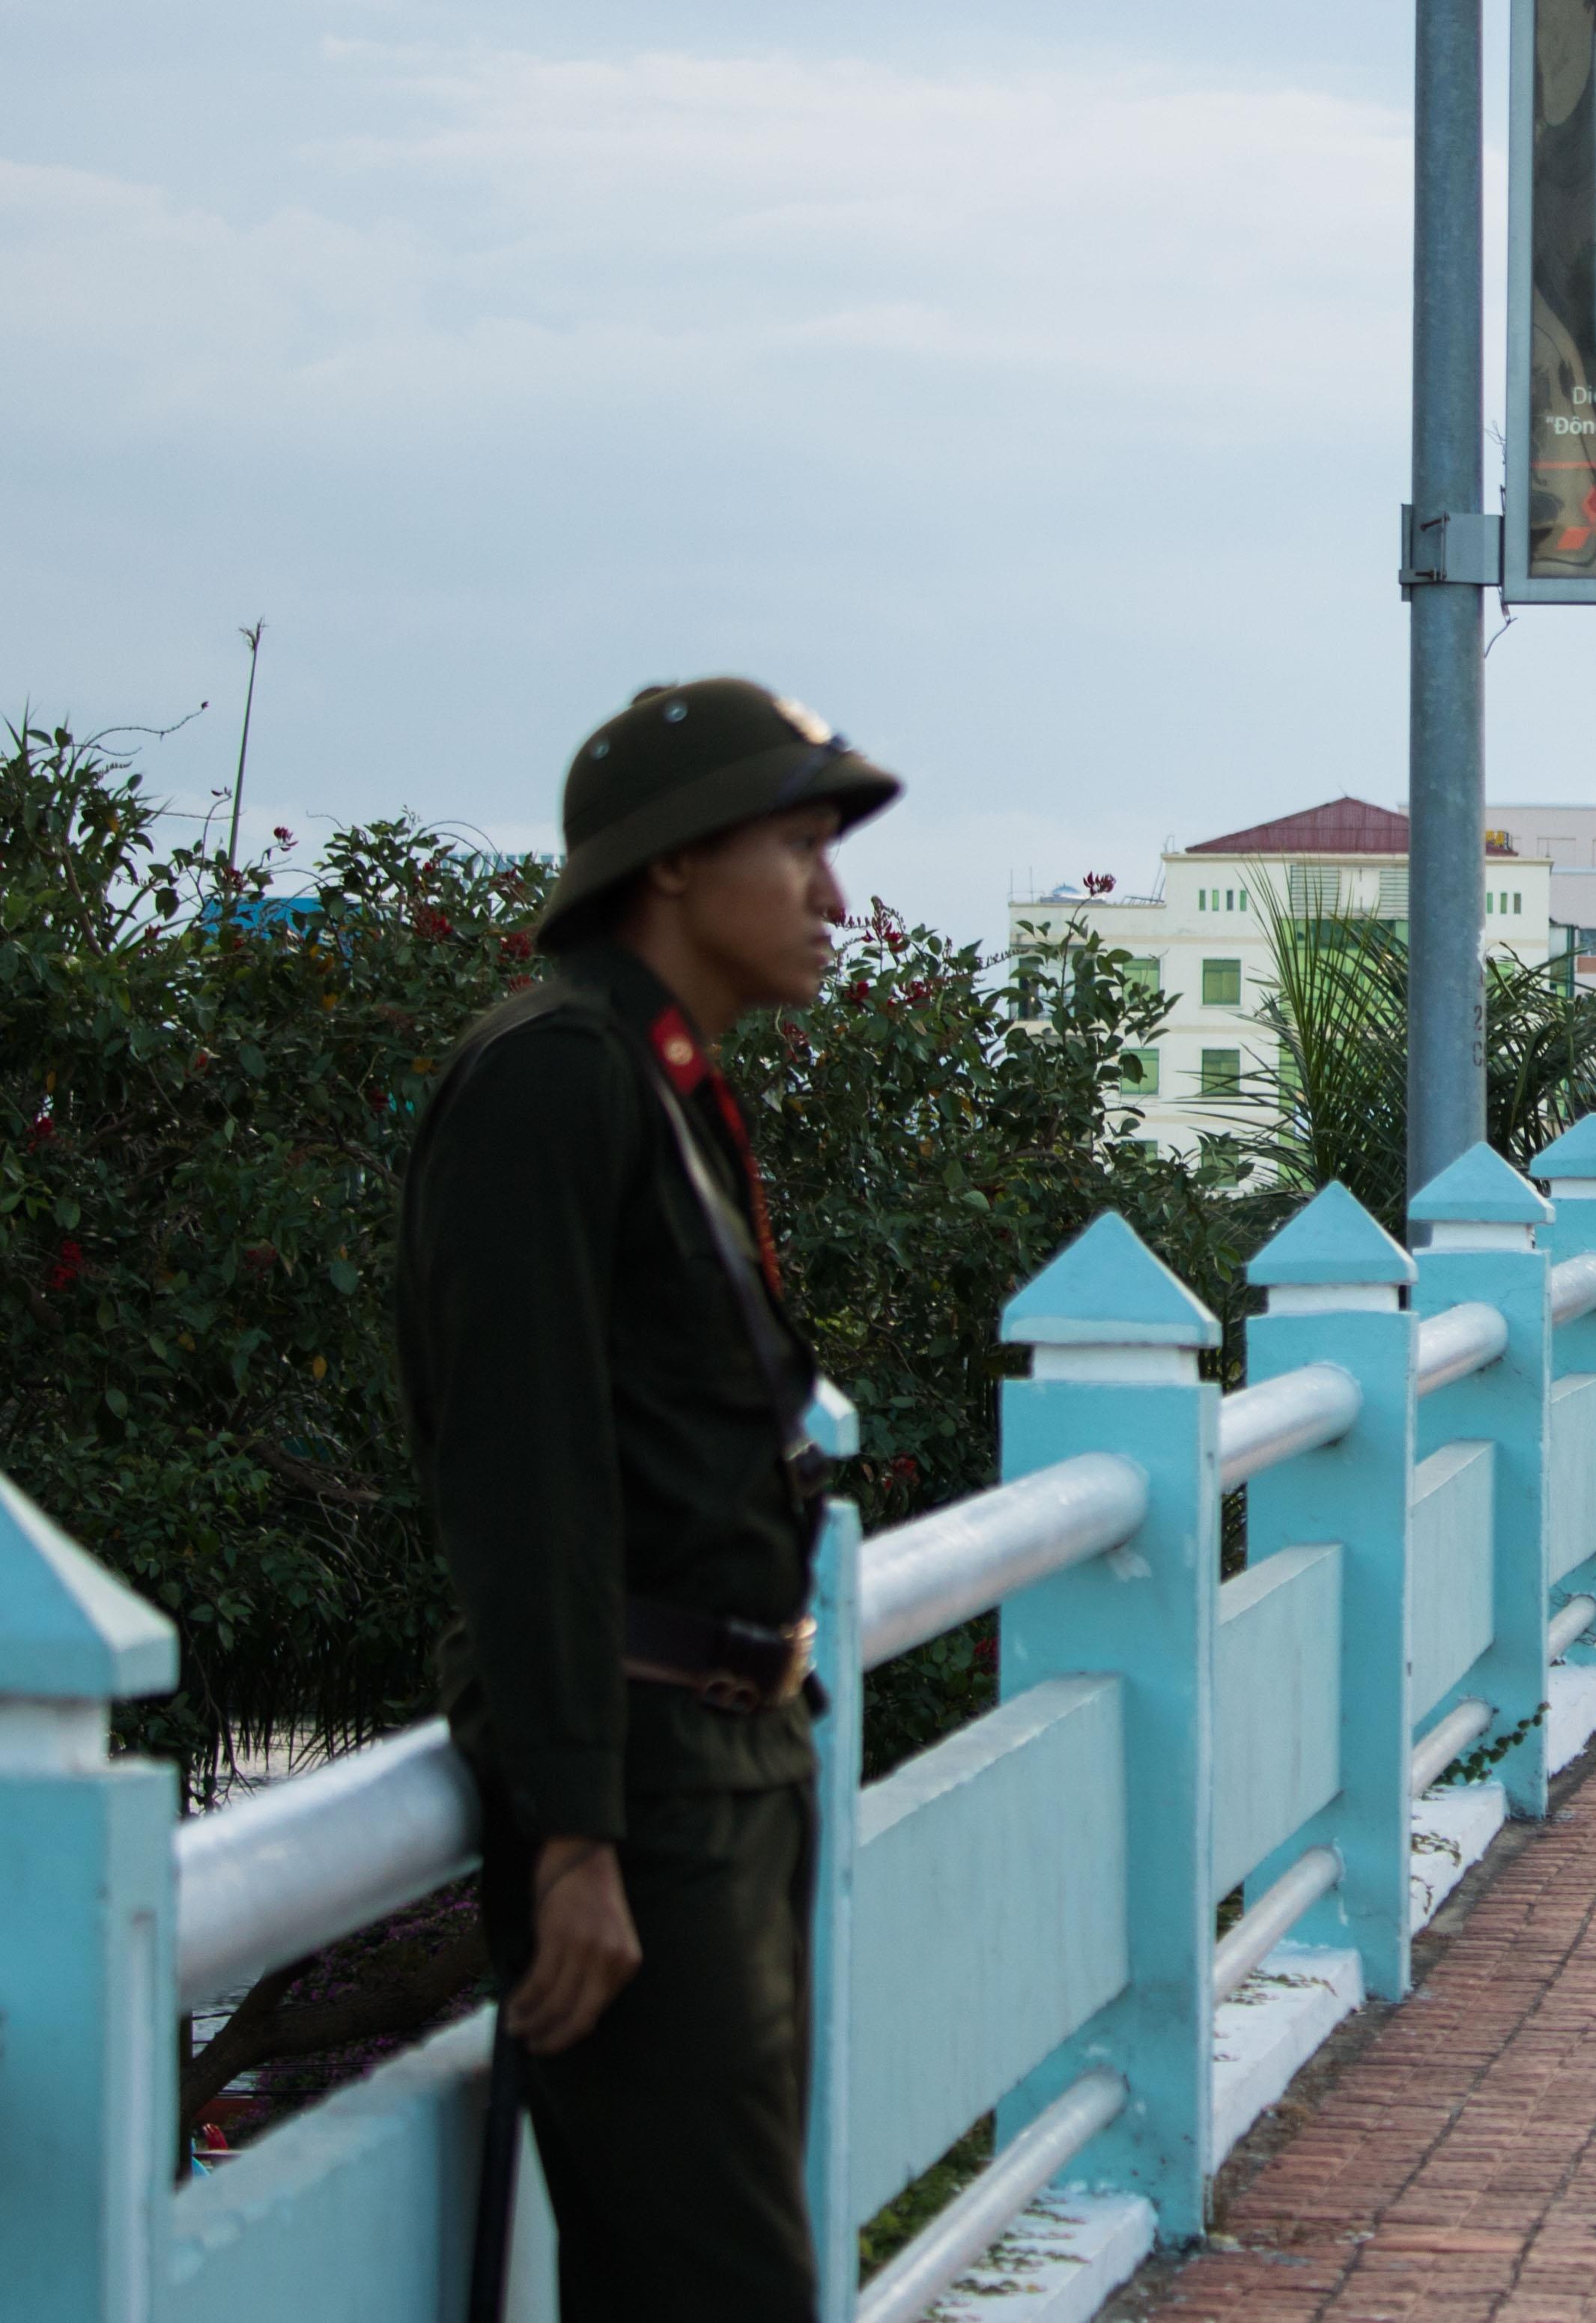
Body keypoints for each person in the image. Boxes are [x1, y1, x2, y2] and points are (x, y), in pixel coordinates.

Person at [400, 678, 898, 2319]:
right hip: (647, 1775)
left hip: (730, 1752)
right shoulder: (554, 1074)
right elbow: (523, 1483)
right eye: (801, 849)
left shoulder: (660, 1075)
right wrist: (576, 1839)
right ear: (674, 862)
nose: (836, 899)